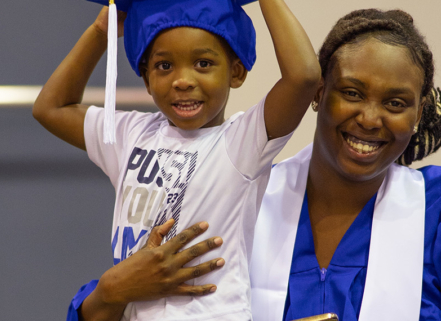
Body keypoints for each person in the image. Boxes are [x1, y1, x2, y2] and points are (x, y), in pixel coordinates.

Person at [68, 7, 441, 321]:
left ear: (419, 114)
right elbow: (121, 303)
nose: (370, 118)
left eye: (396, 103)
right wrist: (108, 291)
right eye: (351, 93)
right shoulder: (239, 193)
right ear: (318, 94)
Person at [33, 0, 320, 319]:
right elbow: (50, 108)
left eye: (203, 63)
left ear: (236, 72)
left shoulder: (242, 142)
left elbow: (304, 76)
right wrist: (101, 32)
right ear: (146, 79)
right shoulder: (131, 135)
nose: (182, 80)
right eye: (164, 66)